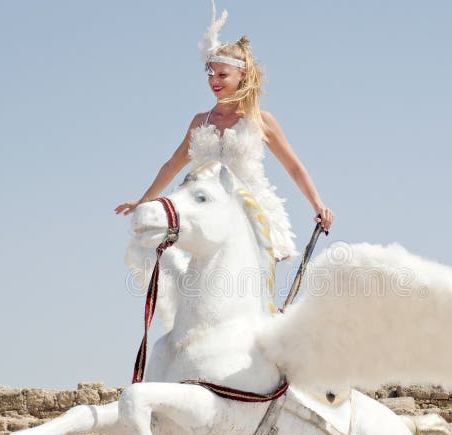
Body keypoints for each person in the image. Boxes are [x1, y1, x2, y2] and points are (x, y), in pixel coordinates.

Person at [114, 3, 333, 262]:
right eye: (210, 74)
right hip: (208, 213)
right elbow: (172, 164)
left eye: (222, 74)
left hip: (249, 213)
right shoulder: (200, 121)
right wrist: (144, 201)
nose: (214, 81)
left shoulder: (261, 121)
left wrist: (318, 205)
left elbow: (294, 168)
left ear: (242, 74)